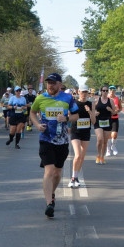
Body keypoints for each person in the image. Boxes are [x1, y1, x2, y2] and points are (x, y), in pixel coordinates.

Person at [30, 73, 79, 218]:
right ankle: (49, 203)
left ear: (59, 84)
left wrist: (66, 118)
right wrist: (37, 124)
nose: (50, 86)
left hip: (62, 141)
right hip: (46, 139)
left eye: (53, 83)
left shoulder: (68, 98)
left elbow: (77, 115)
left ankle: (52, 193)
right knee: (49, 171)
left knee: (57, 174)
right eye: (48, 83)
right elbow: (32, 112)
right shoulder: (40, 98)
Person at [68, 87, 94, 188]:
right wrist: (68, 126)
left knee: (82, 157)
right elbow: (69, 116)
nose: (84, 94)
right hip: (76, 132)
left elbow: (94, 121)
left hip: (86, 132)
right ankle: (73, 178)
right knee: (78, 155)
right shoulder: (74, 103)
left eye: (86, 92)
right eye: (82, 92)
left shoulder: (91, 104)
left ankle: (77, 177)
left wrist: (90, 112)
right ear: (78, 92)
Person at [93, 86, 115, 165]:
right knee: (100, 138)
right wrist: (95, 113)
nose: (105, 92)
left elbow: (114, 112)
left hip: (107, 122)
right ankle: (98, 155)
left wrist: (111, 110)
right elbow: (92, 112)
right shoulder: (96, 101)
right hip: (98, 122)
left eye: (106, 90)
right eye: (103, 90)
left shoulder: (111, 101)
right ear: (101, 91)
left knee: (105, 142)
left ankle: (102, 157)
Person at [107, 85, 122, 156]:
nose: (112, 91)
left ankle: (113, 146)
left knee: (114, 135)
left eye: (113, 90)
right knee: (108, 135)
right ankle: (108, 150)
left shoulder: (117, 98)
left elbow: (120, 108)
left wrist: (117, 111)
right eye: (111, 90)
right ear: (109, 91)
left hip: (115, 118)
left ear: (115, 91)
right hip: (107, 118)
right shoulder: (106, 98)